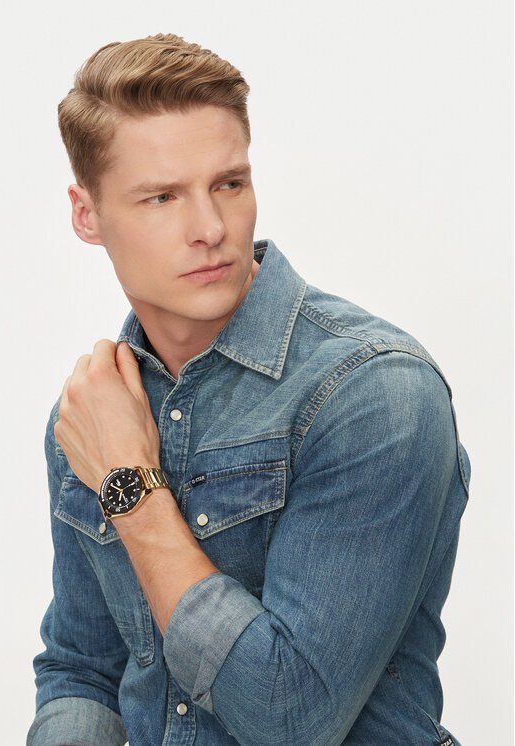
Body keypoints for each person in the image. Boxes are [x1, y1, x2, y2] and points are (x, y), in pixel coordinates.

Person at [28, 33, 470, 746]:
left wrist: (131, 489)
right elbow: (83, 670)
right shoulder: (92, 415)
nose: (210, 229)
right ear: (87, 215)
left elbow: (290, 718)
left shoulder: (374, 394)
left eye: (229, 184)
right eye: (162, 196)